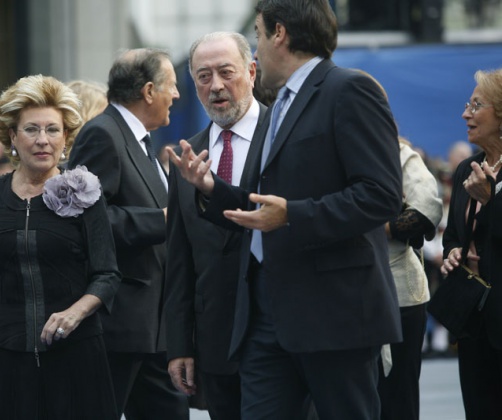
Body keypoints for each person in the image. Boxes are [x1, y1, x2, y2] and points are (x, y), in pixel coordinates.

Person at [167, 0, 403, 418]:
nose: (257, 47)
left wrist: (293, 215)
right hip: (264, 316)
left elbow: (381, 195)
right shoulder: (280, 107)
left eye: (257, 34)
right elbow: (263, 204)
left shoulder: (350, 88)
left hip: (334, 315)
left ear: (280, 34)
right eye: (204, 76)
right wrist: (211, 188)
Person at [0, 74, 121, 419]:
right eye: (31, 130)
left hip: (76, 358)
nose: (43, 140)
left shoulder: (85, 192)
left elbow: (107, 274)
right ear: (12, 136)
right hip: (5, 359)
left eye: (53, 130)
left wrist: (75, 312)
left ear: (66, 137)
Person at [67, 49, 188, 419]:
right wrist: (165, 219)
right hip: (120, 323)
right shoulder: (102, 134)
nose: (178, 95)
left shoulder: (138, 139)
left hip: (152, 326)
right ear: (149, 91)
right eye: (173, 85)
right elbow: (87, 219)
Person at [164, 31, 267, 420]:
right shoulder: (186, 156)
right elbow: (179, 260)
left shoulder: (284, 135)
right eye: (204, 76)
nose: (216, 86)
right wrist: (178, 345)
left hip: (279, 332)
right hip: (215, 340)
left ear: (252, 72)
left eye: (227, 72)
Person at [440, 68, 502, 419]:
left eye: (476, 105)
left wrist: (491, 202)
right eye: (468, 104)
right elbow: (454, 235)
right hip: (472, 317)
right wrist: (452, 253)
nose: (466, 113)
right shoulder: (467, 169)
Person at [380, 137, 443, 419]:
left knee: (398, 395)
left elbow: (426, 211)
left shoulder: (401, 154)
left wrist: (382, 228)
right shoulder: (330, 149)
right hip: (343, 294)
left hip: (400, 291)